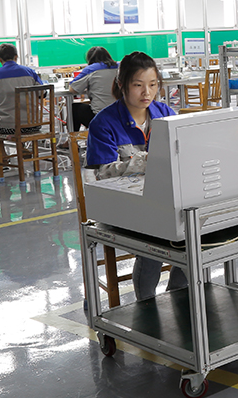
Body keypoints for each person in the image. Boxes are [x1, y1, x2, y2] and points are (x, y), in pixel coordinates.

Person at [86, 51, 187, 300]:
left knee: (194, 231)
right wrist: (146, 161)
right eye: (138, 85)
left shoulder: (165, 114)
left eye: (153, 85)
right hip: (122, 206)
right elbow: (102, 173)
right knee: (157, 232)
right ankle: (146, 303)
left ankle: (178, 295)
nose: (147, 93)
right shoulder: (104, 123)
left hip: (161, 199)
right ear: (121, 85)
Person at [0, 43, 45, 134]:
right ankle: (28, 143)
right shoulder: (30, 72)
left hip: (8, 127)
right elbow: (42, 93)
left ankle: (2, 143)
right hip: (33, 125)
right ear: (16, 57)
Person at [68, 47, 119, 130]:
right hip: (122, 116)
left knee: (74, 108)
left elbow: (73, 89)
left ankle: (74, 136)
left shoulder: (91, 69)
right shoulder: (120, 67)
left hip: (100, 117)